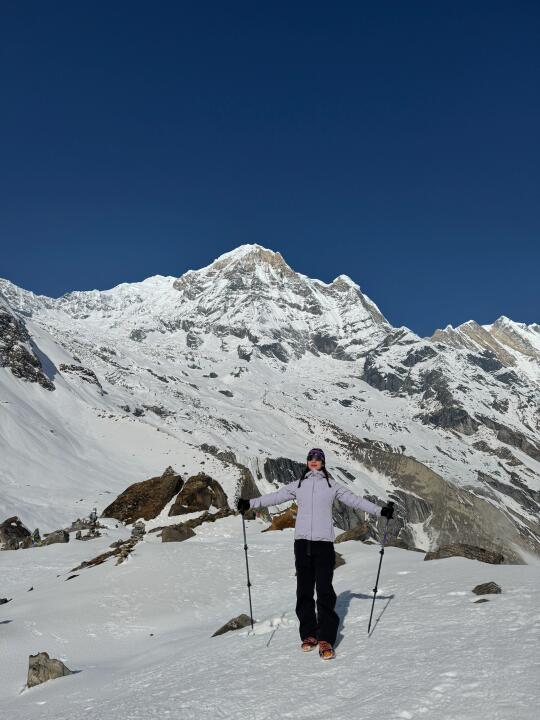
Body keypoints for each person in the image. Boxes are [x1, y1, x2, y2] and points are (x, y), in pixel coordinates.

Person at [236, 447, 394, 660]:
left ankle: (326, 638)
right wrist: (249, 504)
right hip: (302, 544)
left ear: (323, 462)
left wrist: (381, 510)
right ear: (307, 461)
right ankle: (309, 634)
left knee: (324, 590)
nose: (314, 461)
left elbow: (355, 501)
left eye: (318, 458)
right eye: (311, 458)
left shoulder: (332, 486)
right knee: (303, 591)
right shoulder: (298, 485)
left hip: (323, 545)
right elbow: (274, 498)